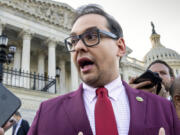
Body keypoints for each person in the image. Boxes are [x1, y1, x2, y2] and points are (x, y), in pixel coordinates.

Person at [28, 4, 180, 135]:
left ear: (120, 47)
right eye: (73, 41)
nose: (78, 46)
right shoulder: (46, 113)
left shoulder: (162, 108)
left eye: (91, 36)